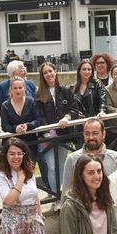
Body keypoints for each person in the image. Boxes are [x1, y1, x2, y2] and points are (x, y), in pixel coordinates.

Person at [35, 62, 80, 193]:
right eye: (45, 73)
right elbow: (39, 115)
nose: (48, 74)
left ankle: (63, 195)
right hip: (47, 137)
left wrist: (67, 117)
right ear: (42, 76)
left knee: (61, 166)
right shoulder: (38, 94)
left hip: (64, 134)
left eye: (50, 71)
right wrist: (48, 130)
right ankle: (56, 195)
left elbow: (74, 109)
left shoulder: (66, 90)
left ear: (55, 71)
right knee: (52, 167)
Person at [0, 77, 42, 162]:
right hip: (13, 145)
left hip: (31, 144)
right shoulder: (5, 105)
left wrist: (28, 126)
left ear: (24, 89)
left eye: (20, 88)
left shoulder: (31, 101)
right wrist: (15, 128)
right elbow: (4, 125)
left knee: (29, 170)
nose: (18, 90)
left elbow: (38, 120)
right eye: (15, 88)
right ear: (11, 90)